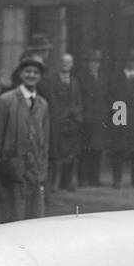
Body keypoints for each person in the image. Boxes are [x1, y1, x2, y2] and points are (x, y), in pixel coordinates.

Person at [0, 55, 50, 222]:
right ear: (20, 74)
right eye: (27, 71)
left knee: (34, 221)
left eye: (35, 72)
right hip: (12, 172)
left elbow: (45, 140)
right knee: (13, 219)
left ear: (39, 76)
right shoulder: (6, 100)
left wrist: (42, 171)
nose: (31, 75)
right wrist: (3, 166)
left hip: (35, 172)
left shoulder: (43, 104)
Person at [109, 48, 134, 189]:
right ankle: (117, 179)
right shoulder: (117, 77)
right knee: (119, 148)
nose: (132, 64)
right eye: (129, 61)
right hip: (120, 113)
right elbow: (111, 95)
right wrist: (116, 115)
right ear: (125, 63)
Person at [50, 53, 82, 191]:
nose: (66, 65)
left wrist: (77, 115)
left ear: (72, 65)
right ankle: (54, 184)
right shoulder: (53, 80)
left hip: (71, 121)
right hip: (57, 121)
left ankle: (67, 183)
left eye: (68, 63)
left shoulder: (74, 81)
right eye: (63, 62)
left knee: (70, 153)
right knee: (57, 154)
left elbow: (78, 101)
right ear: (60, 64)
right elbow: (52, 100)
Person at [79, 49, 109, 186]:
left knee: (97, 148)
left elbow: (107, 97)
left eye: (96, 62)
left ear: (99, 64)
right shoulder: (82, 78)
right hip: (86, 117)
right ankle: (83, 179)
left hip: (99, 118)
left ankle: (94, 179)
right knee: (85, 149)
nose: (94, 65)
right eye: (91, 62)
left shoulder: (103, 78)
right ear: (87, 64)